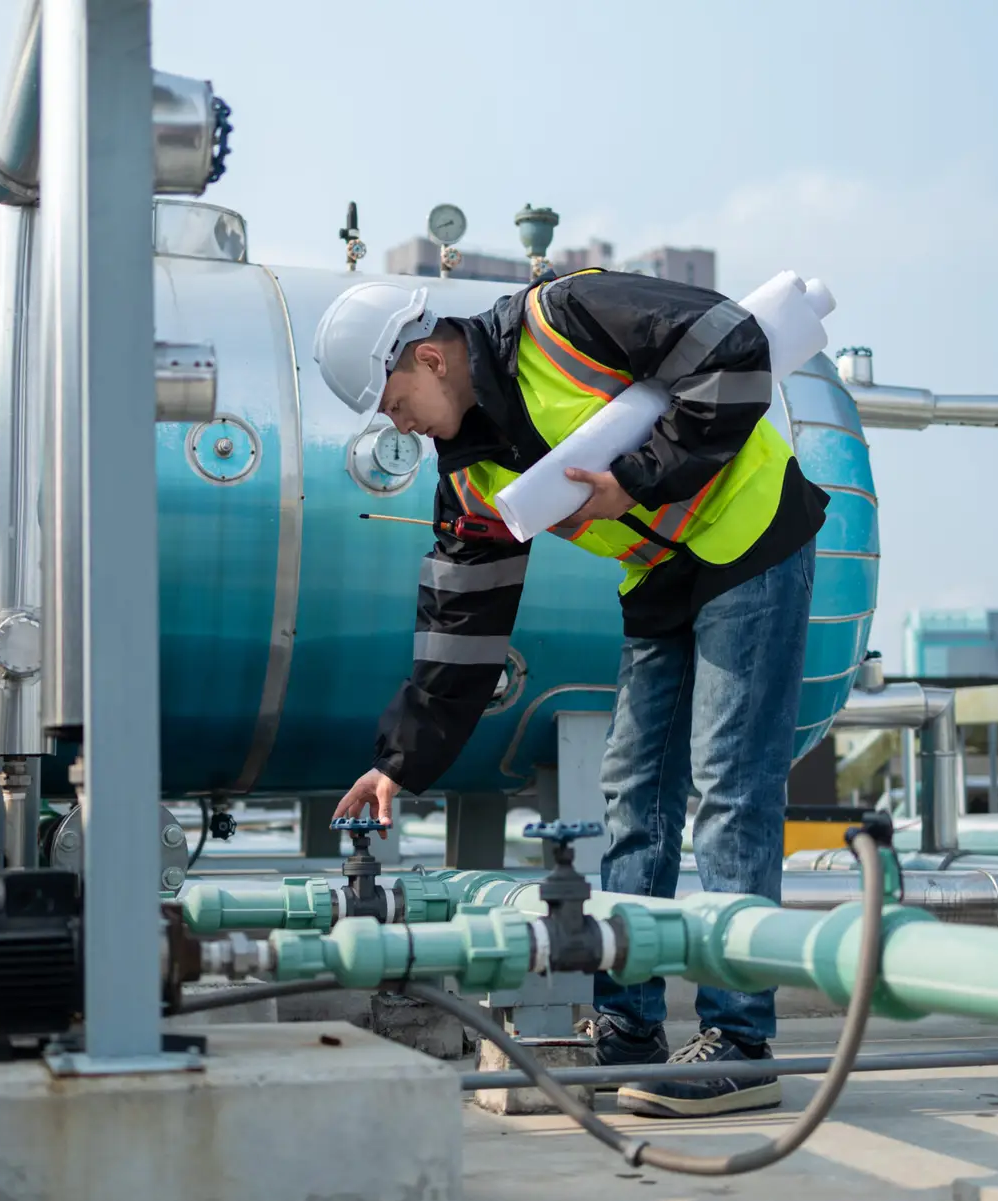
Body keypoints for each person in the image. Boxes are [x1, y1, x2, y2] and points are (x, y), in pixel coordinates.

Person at [313, 269, 828, 1118]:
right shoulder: (471, 477)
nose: (395, 422)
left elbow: (734, 349)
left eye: (394, 399)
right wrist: (399, 764)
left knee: (728, 783)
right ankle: (630, 1026)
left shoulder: (566, 317)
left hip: (751, 538)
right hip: (662, 577)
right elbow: (461, 623)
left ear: (432, 358)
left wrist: (641, 472)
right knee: (633, 795)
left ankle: (743, 1042)